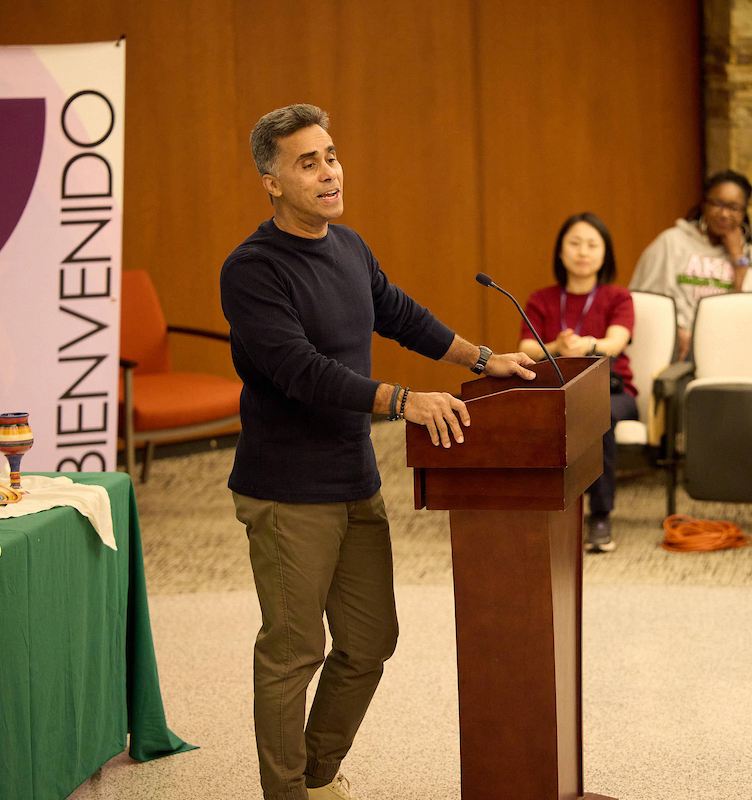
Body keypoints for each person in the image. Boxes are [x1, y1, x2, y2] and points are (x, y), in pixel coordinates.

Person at [219, 104, 536, 800]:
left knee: (369, 644)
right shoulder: (251, 270)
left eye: (331, 155)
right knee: (292, 653)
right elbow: (299, 370)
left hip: (352, 479)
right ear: (271, 181)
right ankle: (286, 794)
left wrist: (485, 361)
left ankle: (315, 774)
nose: (329, 172)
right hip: (285, 490)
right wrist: (403, 401)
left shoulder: (350, 246)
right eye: (308, 162)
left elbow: (399, 314)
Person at [518, 212, 638, 553]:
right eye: (574, 244)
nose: (582, 252)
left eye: (591, 245)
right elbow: (526, 347)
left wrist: (586, 345)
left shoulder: (617, 296)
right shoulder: (541, 298)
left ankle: (599, 515)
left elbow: (617, 342)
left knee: (597, 414)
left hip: (611, 391)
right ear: (560, 252)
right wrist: (558, 346)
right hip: (557, 389)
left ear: (605, 254)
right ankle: (538, 508)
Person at [629, 169, 752, 361]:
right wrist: (676, 331)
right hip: (677, 348)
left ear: (744, 212)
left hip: (733, 348)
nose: (724, 214)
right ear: (704, 204)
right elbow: (643, 300)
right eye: (717, 204)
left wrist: (737, 256)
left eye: (733, 207)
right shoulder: (671, 242)